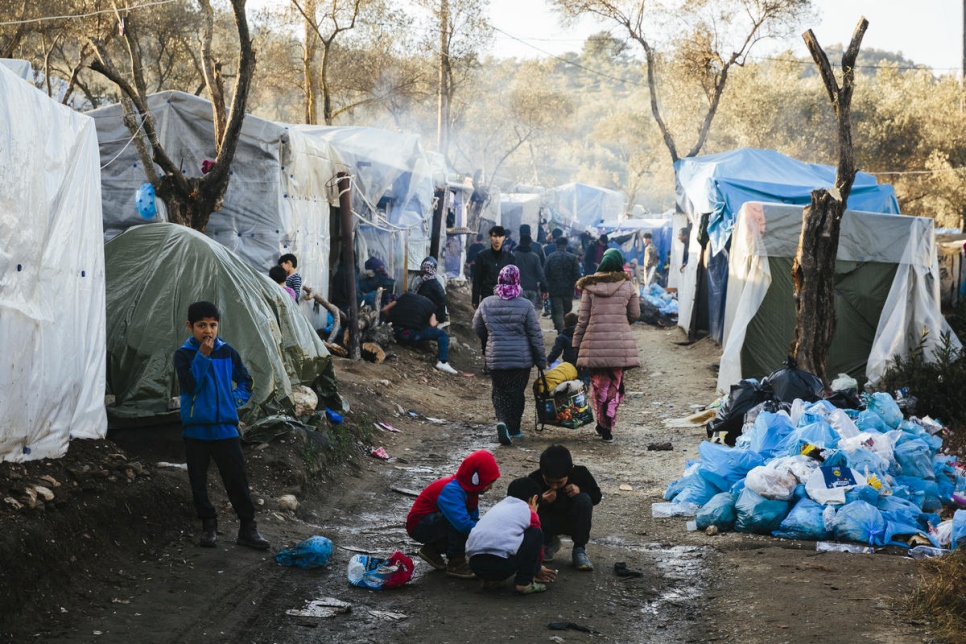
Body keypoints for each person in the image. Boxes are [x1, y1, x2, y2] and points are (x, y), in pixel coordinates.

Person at [173, 301, 269, 551]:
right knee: (198, 481)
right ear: (189, 326)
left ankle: (248, 528)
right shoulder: (184, 355)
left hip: (226, 429)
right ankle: (209, 526)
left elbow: (246, 382)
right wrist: (202, 356)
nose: (208, 331)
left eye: (213, 325)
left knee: (237, 479)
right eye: (201, 325)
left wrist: (231, 401)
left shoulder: (227, 352)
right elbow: (190, 385)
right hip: (196, 430)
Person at [573, 248, 641, 443]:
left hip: (594, 344)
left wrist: (576, 343)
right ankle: (607, 425)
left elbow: (583, 318)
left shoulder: (589, 286)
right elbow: (635, 314)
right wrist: (621, 321)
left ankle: (601, 422)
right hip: (619, 345)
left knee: (598, 386)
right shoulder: (627, 286)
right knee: (614, 385)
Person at [474, 265, 546, 446]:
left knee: (499, 391)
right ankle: (514, 429)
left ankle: (502, 420)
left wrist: (489, 340)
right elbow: (535, 335)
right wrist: (541, 360)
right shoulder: (526, 305)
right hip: (520, 362)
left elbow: (477, 327)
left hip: (496, 358)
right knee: (516, 394)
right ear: (517, 280)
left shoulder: (486, 303)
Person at [406, 449, 501, 579]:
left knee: (466, 526)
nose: (490, 487)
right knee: (460, 524)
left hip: (431, 522)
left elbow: (474, 518)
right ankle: (456, 563)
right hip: (419, 525)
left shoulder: (470, 492)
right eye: (488, 483)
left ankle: (432, 550)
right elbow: (462, 524)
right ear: (476, 478)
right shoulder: (452, 490)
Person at [466, 477, 558, 595]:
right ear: (534, 499)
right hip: (501, 567)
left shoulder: (498, 508)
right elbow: (537, 545)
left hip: (475, 564)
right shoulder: (528, 512)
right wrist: (537, 568)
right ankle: (524, 583)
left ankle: (490, 581)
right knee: (536, 533)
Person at [528, 445, 602, 571]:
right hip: (547, 522)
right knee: (531, 508)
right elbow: (522, 508)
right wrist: (540, 500)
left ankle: (579, 549)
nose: (554, 486)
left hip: (572, 521)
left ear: (570, 470)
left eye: (560, 482)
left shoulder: (581, 473)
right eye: (549, 482)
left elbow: (597, 497)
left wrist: (580, 490)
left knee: (584, 499)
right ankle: (548, 542)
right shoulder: (534, 478)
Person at [382, 292, 458, 374]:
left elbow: (384, 309)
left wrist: (391, 319)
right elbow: (432, 324)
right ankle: (442, 362)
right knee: (442, 334)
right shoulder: (432, 306)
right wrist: (437, 322)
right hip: (411, 334)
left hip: (395, 331)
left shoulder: (405, 296)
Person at [544, 236, 582, 333]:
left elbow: (545, 274)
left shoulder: (550, 257)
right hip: (568, 289)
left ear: (556, 246)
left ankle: (561, 331)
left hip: (554, 289)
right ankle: (564, 330)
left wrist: (544, 288)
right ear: (566, 246)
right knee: (566, 310)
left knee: (557, 311)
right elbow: (577, 274)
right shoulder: (572, 258)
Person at [512, 234, 548, 312]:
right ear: (530, 244)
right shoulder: (535, 257)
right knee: (531, 312)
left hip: (518, 289)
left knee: (519, 312)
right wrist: (544, 289)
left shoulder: (514, 256)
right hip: (532, 288)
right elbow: (541, 274)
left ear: (519, 243)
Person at [409, 256, 448, 326]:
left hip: (427, 315)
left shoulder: (420, 280)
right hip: (437, 314)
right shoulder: (436, 280)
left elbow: (414, 295)